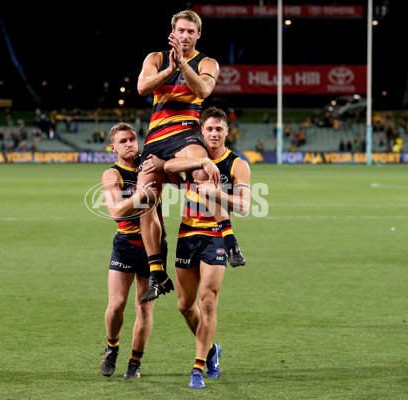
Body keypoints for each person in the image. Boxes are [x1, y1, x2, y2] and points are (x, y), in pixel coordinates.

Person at [136, 9, 245, 303]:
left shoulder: (207, 62)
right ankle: (158, 273)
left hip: (186, 130)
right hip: (156, 137)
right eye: (180, 31)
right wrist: (170, 69)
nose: (185, 36)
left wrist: (183, 65)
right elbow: (142, 87)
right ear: (172, 33)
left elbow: (204, 89)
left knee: (203, 174)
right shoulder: (156, 58)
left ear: (198, 35)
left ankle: (230, 240)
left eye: (190, 32)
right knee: (145, 198)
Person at [143, 106, 251, 389]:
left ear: (227, 132)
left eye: (219, 129)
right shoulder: (192, 154)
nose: (214, 133)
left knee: (208, 301)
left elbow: (245, 206)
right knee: (185, 306)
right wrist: (198, 164)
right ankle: (212, 349)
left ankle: (198, 368)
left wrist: (218, 193)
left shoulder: (237, 164)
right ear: (201, 132)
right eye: (209, 129)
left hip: (215, 236)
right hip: (187, 235)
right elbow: (168, 167)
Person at [99, 122, 168, 380]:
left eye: (133, 139)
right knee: (116, 305)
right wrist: (140, 197)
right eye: (124, 140)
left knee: (145, 309)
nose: (130, 143)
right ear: (113, 147)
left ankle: (135, 363)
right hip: (126, 244)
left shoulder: (151, 165)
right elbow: (115, 212)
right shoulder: (111, 174)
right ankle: (112, 347)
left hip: (154, 246)